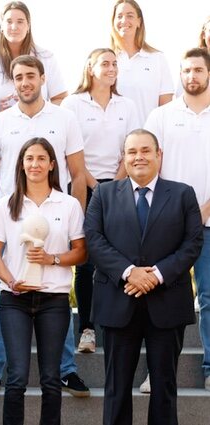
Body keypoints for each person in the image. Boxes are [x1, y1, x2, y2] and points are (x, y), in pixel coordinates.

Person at [0, 54, 90, 397]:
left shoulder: (65, 118)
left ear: (42, 78)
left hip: (55, 219)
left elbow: (78, 174)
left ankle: (66, 370)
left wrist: (72, 224)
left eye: (30, 76)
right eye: (18, 77)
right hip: (11, 219)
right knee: (3, 293)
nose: (24, 82)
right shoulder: (0, 122)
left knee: (57, 291)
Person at [84, 129, 203, 425]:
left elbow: (193, 243)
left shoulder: (183, 193)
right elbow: (94, 239)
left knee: (164, 387)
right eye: (132, 151)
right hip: (118, 301)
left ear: (158, 155)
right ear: (124, 157)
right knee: (116, 389)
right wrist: (130, 273)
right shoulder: (104, 193)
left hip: (167, 301)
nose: (139, 157)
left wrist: (157, 275)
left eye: (145, 150)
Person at [0, 137, 86, 425]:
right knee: (16, 376)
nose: (35, 164)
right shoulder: (6, 205)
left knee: (52, 378)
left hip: (53, 300)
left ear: (52, 164)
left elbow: (81, 252)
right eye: (29, 158)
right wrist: (11, 280)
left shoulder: (67, 205)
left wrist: (52, 259)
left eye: (41, 158)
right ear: (21, 165)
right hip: (14, 299)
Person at [61, 48, 139, 354]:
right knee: (87, 261)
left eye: (114, 64)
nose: (111, 68)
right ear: (90, 69)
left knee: (121, 257)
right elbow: (71, 154)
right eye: (105, 63)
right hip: (85, 186)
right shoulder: (73, 104)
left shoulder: (127, 105)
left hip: (120, 186)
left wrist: (117, 183)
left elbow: (130, 149)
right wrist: (94, 185)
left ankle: (118, 324)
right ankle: (87, 329)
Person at [145, 47, 210, 394]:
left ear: (208, 73)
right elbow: (148, 164)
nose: (191, 77)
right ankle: (155, 371)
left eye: (198, 70)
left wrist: (203, 210)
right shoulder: (161, 116)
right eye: (186, 71)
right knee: (158, 296)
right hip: (167, 223)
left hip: (209, 224)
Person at [0, 1, 67, 111]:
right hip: (1, 124)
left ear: (28, 26)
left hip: (37, 125)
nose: (14, 27)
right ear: (1, 26)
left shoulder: (46, 57)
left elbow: (60, 98)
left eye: (20, 22)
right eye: (9, 22)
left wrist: (40, 110)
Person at [110, 0, 173, 124]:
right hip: (112, 138)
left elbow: (166, 107)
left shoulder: (157, 58)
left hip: (147, 138)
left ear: (139, 22)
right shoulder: (105, 60)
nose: (124, 21)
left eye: (130, 16)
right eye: (119, 16)